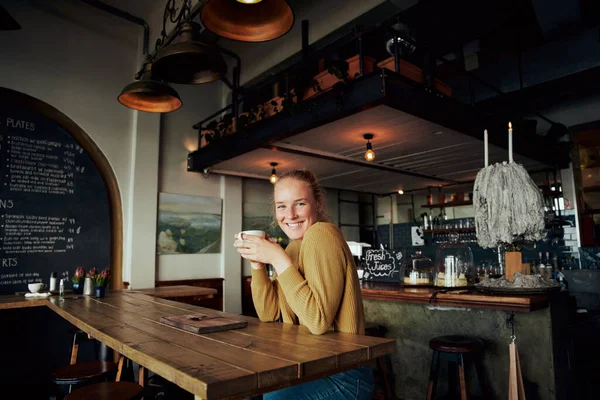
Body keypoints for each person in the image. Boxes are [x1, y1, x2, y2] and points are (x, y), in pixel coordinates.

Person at [234, 170, 374, 400]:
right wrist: (258, 264)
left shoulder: (322, 233)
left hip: (343, 375)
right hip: (310, 365)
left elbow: (318, 321)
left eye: (299, 203)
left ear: (317, 204)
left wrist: (278, 259)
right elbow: (269, 314)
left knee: (272, 397)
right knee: (267, 392)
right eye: (281, 206)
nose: (289, 215)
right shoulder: (292, 248)